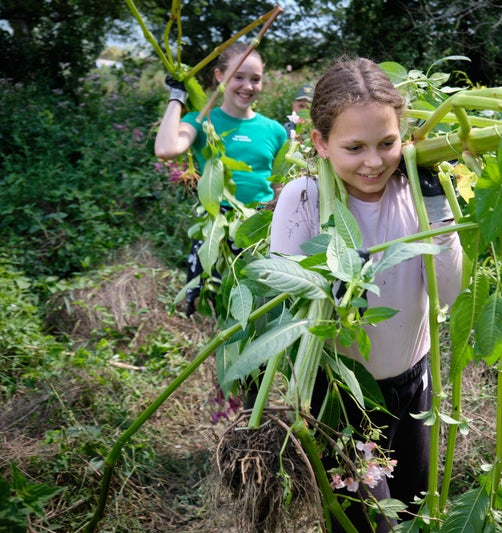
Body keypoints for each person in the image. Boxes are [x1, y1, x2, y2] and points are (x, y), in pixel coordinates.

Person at [269, 57, 463, 532]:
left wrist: (438, 207)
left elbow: (449, 292)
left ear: (405, 136)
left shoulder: (415, 193)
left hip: (413, 382)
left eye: (386, 143)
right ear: (320, 143)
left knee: (414, 506)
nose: (373, 162)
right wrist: (327, 279)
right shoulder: (304, 198)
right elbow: (286, 299)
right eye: (354, 147)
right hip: (342, 395)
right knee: (363, 522)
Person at [154, 41, 288, 316]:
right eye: (239, 77)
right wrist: (177, 97)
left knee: (261, 307)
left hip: (259, 229)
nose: (248, 86)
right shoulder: (201, 121)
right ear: (219, 76)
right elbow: (166, 149)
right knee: (217, 305)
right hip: (217, 227)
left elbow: (279, 188)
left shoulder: (275, 131)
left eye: (256, 79)